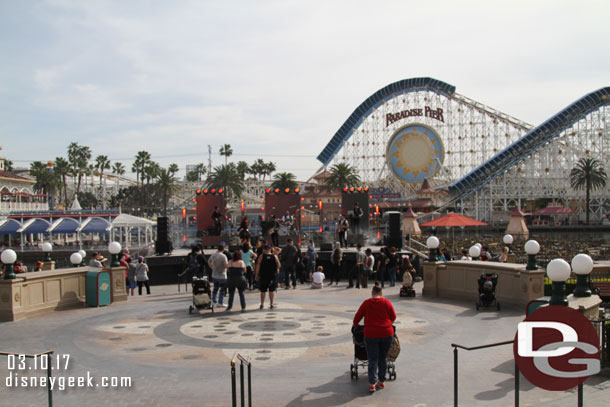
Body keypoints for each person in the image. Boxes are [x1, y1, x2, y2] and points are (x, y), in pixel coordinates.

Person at [353, 284, 397, 393]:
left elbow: (356, 319)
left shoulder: (367, 303)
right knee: (383, 358)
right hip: (387, 334)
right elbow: (393, 317)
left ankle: (372, 383)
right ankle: (381, 381)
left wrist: (356, 325)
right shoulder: (387, 302)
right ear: (381, 293)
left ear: (372, 293)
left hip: (371, 334)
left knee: (373, 359)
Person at [254, 245, 280, 309]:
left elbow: (258, 265)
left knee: (263, 291)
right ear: (271, 249)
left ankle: (262, 304)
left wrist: (256, 274)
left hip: (263, 275)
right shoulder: (274, 256)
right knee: (271, 291)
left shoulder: (261, 256)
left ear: (264, 249)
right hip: (272, 276)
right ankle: (271, 304)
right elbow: (279, 265)